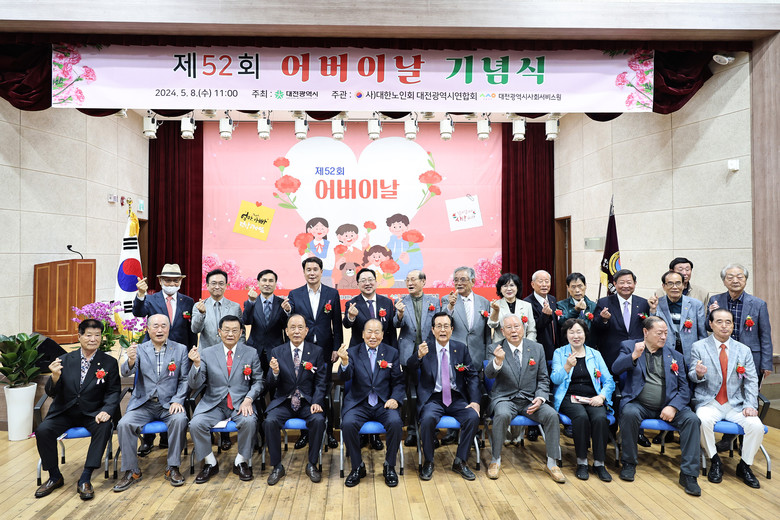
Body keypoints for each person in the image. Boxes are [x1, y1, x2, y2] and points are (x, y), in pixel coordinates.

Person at [611, 316, 702, 496]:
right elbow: (615, 368)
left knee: (692, 420)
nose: (663, 337)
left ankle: (689, 475)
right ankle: (629, 463)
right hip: (639, 404)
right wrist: (634, 356)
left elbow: (685, 389)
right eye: (659, 333)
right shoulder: (630, 346)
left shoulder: (675, 356)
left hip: (669, 405)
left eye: (666, 333)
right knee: (629, 413)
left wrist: (673, 407)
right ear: (646, 332)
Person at [34, 318, 121, 500]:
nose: (93, 339)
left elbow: (113, 392)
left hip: (93, 413)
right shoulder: (64, 360)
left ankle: (85, 477)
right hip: (64, 411)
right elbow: (51, 392)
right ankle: (55, 476)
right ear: (79, 336)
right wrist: (55, 377)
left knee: (104, 426)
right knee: (43, 430)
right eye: (88, 335)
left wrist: (107, 410)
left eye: (97, 335)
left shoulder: (109, 362)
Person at [690, 309, 765, 488]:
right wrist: (698, 374)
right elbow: (692, 374)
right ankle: (714, 460)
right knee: (702, 420)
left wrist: (750, 404)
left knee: (756, 426)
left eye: (728, 322)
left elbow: (751, 380)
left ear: (733, 325)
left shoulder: (743, 350)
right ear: (711, 324)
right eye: (719, 322)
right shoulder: (699, 346)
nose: (724, 326)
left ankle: (745, 465)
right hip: (709, 401)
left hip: (735, 404)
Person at [114, 314, 189, 491]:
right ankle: (132, 471)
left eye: (163, 326)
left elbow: (184, 379)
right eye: (155, 326)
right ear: (148, 329)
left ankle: (173, 467)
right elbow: (125, 373)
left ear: (169, 328)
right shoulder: (139, 349)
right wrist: (130, 360)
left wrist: (178, 400)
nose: (159, 330)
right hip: (143, 404)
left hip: (169, 404)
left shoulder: (180, 349)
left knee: (180, 419)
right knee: (124, 424)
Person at [485, 315, 565, 483]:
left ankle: (552, 463)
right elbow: (489, 374)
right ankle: (495, 460)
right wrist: (498, 361)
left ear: (523, 328)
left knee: (551, 415)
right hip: (505, 398)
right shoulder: (495, 348)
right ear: (502, 331)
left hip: (531, 399)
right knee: (502, 415)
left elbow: (543, 378)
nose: (514, 331)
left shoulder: (537, 348)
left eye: (517, 326)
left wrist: (541, 398)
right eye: (509, 328)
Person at [187, 315, 263, 484]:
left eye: (235, 330)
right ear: (219, 332)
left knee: (250, 422)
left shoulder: (250, 353)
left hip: (240, 403)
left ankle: (241, 461)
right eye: (226, 330)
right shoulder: (207, 353)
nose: (230, 334)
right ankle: (210, 462)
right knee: (196, 424)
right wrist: (197, 365)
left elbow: (259, 381)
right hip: (214, 403)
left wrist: (249, 399)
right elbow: (194, 384)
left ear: (241, 333)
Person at [707, 263, 773, 452]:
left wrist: (766, 363)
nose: (735, 280)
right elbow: (706, 326)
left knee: (749, 396)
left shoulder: (758, 304)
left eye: (739, 277)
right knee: (728, 395)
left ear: (745, 280)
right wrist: (710, 313)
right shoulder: (716, 300)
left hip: (750, 358)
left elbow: (765, 335)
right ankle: (728, 438)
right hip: (722, 356)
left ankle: (746, 438)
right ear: (724, 281)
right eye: (730, 277)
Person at [408, 312, 480, 481]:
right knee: (427, 419)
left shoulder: (460, 348)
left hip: (456, 397)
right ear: (433, 330)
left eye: (446, 326)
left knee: (472, 416)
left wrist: (475, 401)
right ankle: (429, 461)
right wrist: (418, 356)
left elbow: (472, 376)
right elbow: (410, 368)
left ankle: (460, 461)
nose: (442, 330)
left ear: (452, 329)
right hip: (433, 398)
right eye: (438, 326)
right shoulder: (425, 348)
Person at [132, 263, 196, 454]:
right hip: (153, 353)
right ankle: (147, 440)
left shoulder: (188, 301)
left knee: (175, 393)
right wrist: (140, 294)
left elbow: (191, 330)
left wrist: (191, 353)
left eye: (175, 280)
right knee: (152, 393)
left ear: (180, 282)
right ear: (160, 281)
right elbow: (138, 312)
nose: (171, 283)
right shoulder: (151, 299)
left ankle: (169, 438)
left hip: (179, 354)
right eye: (167, 280)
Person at [337, 319, 405, 487]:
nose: (373, 336)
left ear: (382, 334)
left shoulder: (392, 353)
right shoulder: (353, 352)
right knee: (348, 423)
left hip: (383, 403)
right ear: (362, 334)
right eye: (369, 332)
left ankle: (389, 466)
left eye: (376, 332)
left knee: (395, 422)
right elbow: (345, 376)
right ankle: (357, 466)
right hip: (359, 403)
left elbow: (398, 382)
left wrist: (395, 399)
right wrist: (344, 362)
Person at [263, 314, 327, 485]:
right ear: (286, 331)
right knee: (270, 421)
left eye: (300, 327)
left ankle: (312, 464)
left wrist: (316, 402)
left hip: (307, 402)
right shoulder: (277, 351)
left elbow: (321, 382)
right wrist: (274, 372)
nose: (296, 331)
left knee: (318, 420)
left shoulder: (316, 351)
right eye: (292, 327)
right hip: (284, 401)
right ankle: (277, 466)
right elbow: (270, 384)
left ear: (306, 331)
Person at [286, 256, 342, 449]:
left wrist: (336, 347)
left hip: (325, 351)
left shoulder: (332, 293)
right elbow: (291, 320)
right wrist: (287, 311)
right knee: (304, 390)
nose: (312, 273)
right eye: (308, 269)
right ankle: (305, 434)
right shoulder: (295, 294)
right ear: (304, 272)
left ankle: (329, 432)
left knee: (325, 391)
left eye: (315, 269)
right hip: (304, 350)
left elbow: (337, 324)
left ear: (321, 271)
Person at [550, 318, 615, 481]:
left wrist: (601, 396)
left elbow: (609, 381)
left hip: (592, 397)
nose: (576, 336)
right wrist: (567, 366)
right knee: (580, 417)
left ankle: (599, 463)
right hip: (569, 396)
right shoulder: (560, 353)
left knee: (600, 418)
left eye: (579, 332)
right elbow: (555, 379)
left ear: (585, 334)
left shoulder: (595, 354)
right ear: (566, 335)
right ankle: (582, 462)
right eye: (571, 332)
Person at [441, 266, 490, 446]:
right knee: (455, 391)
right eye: (456, 280)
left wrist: (487, 355)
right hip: (455, 354)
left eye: (463, 279)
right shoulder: (447, 300)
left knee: (475, 391)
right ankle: (452, 432)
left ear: (473, 281)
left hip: (477, 354)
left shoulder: (484, 302)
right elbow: (443, 323)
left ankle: (474, 431)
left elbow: (487, 333)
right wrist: (450, 306)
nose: (458, 283)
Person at [394, 269, 440, 446]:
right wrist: (399, 314)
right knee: (411, 395)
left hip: (430, 355)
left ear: (423, 281)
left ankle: (431, 431)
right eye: (407, 280)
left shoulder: (433, 302)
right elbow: (395, 324)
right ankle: (412, 431)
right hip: (409, 356)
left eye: (413, 279)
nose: (409, 283)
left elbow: (439, 324)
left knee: (430, 393)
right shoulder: (401, 302)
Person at [592, 269, 654, 372]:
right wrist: (604, 319)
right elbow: (596, 327)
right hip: (612, 354)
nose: (625, 286)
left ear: (635, 283)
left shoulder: (643, 303)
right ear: (615, 284)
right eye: (622, 282)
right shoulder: (604, 302)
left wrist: (653, 310)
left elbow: (650, 326)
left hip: (638, 354)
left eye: (629, 282)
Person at [242, 269, 288, 376]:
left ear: (275, 283)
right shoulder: (251, 302)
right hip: (254, 350)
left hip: (276, 351)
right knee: (254, 381)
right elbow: (246, 321)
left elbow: (286, 326)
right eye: (264, 280)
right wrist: (251, 302)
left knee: (275, 381)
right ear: (258, 283)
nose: (267, 284)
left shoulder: (283, 304)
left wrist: (287, 312)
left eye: (271, 281)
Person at [343, 268, 398, 348]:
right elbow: (346, 325)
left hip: (384, 348)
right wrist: (351, 317)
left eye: (370, 280)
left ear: (376, 282)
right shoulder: (352, 304)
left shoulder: (387, 302)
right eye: (363, 281)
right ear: (358, 284)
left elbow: (392, 331)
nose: (367, 283)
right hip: (360, 349)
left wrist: (394, 350)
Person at [191, 268, 242, 349]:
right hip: (206, 352)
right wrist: (201, 313)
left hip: (229, 352)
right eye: (214, 283)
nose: (217, 287)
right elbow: (195, 329)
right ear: (207, 285)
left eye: (221, 283)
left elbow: (241, 334)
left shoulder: (235, 307)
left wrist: (240, 350)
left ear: (226, 285)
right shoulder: (199, 306)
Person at [488, 272, 537, 345]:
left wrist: (527, 345)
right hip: (502, 346)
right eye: (505, 286)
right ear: (500, 289)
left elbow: (531, 330)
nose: (509, 289)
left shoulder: (527, 305)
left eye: (512, 285)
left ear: (517, 288)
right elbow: (492, 325)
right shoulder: (495, 305)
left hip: (522, 346)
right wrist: (496, 311)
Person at [523, 269, 560, 362]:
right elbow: (533, 327)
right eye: (540, 281)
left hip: (555, 348)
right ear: (533, 284)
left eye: (547, 281)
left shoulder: (552, 299)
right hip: (539, 349)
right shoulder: (527, 303)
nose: (544, 285)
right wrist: (545, 316)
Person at [385, 213, 423, 280]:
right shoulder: (391, 243)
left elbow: (419, 262)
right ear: (390, 229)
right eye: (394, 227)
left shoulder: (412, 243)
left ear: (407, 227)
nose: (397, 229)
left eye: (400, 226)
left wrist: (407, 261)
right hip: (392, 278)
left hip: (408, 278)